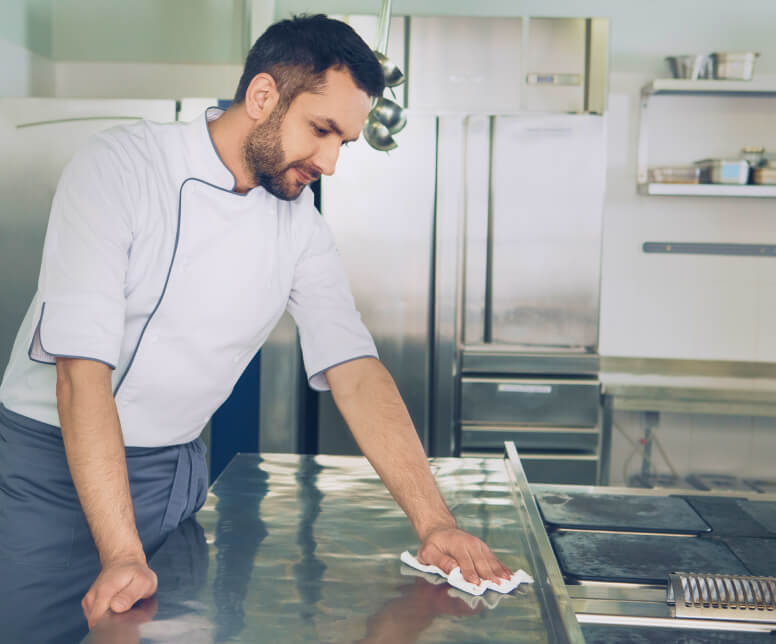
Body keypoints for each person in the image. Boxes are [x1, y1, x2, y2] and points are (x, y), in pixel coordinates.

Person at [0, 14, 510, 636]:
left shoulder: (299, 227)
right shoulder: (121, 167)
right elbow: (81, 375)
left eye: (343, 143)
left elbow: (355, 369)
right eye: (321, 130)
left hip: (170, 473)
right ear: (264, 96)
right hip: (48, 470)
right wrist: (123, 554)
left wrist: (435, 523)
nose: (329, 162)